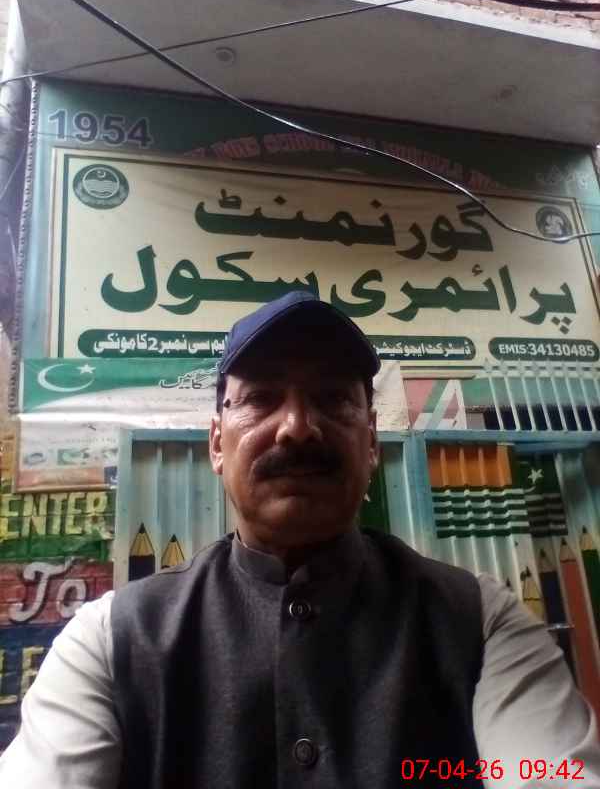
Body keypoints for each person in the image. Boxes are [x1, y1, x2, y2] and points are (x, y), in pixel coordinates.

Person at [1, 291, 599, 788]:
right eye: (261, 398)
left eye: (332, 398)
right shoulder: (108, 641)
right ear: (216, 444)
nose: (296, 427)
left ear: (371, 442)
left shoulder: (483, 624)